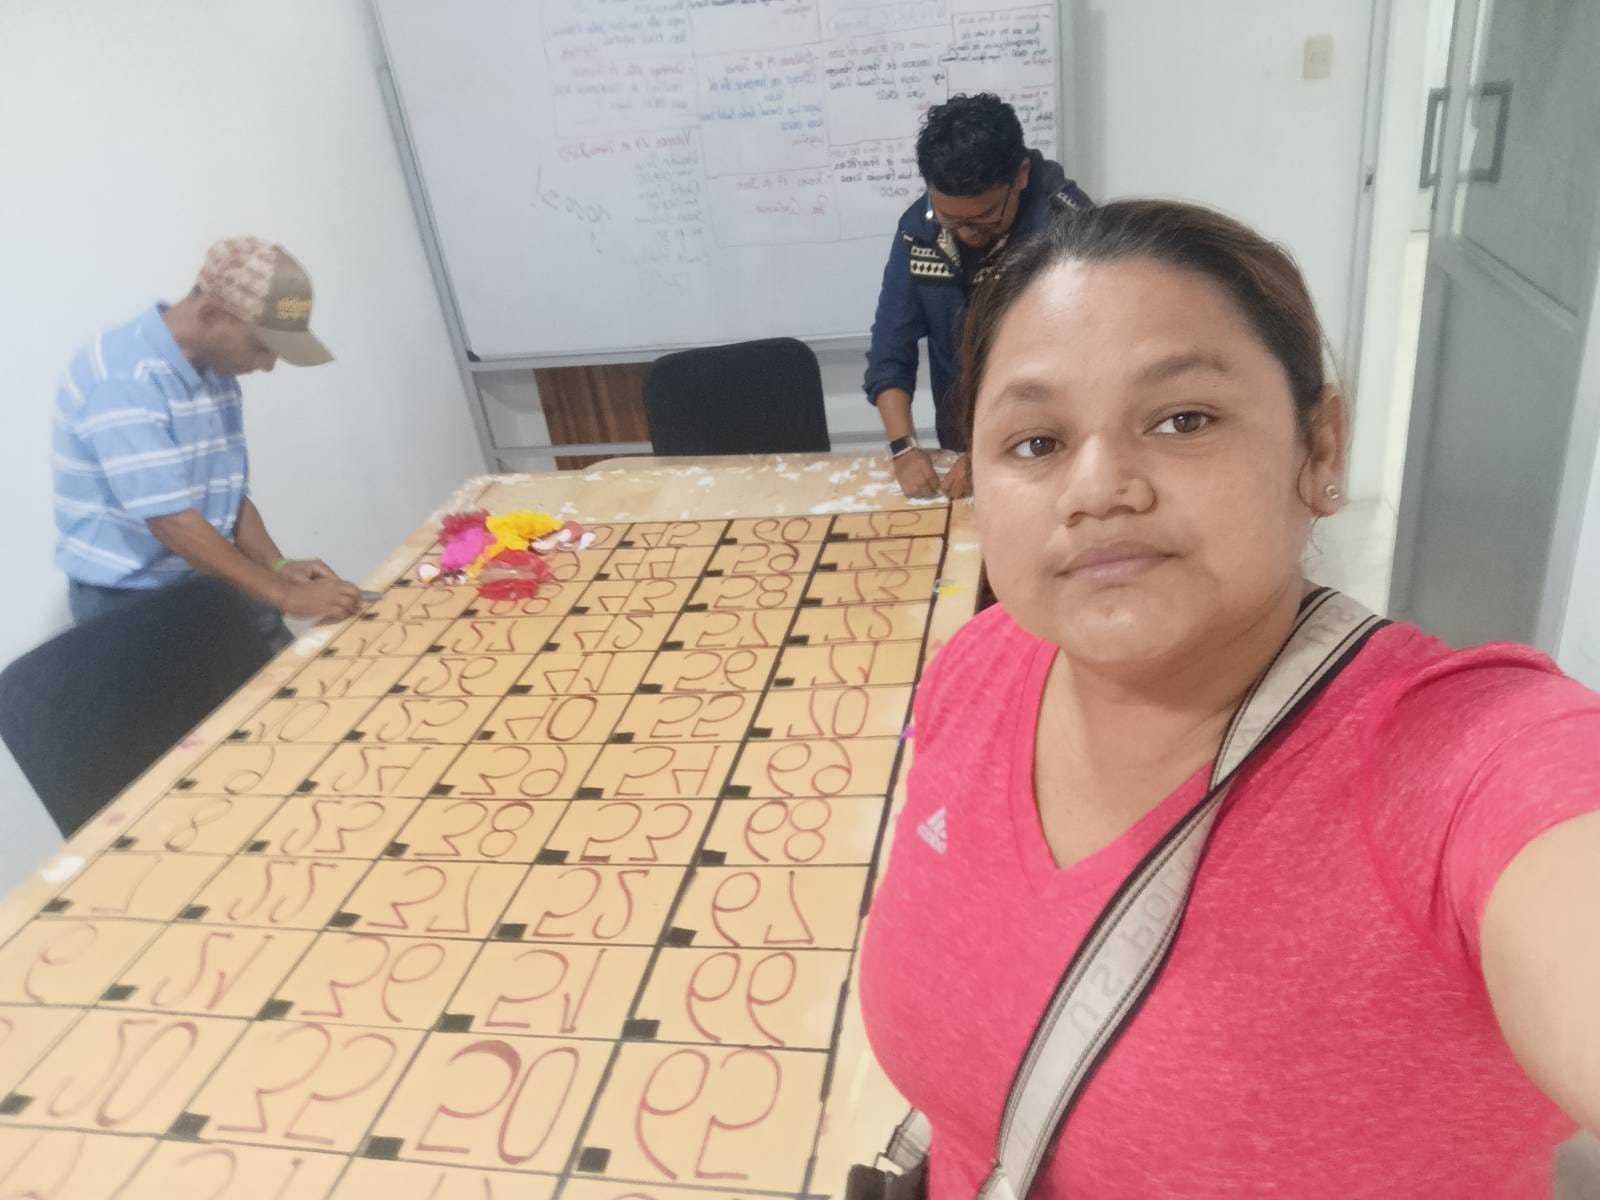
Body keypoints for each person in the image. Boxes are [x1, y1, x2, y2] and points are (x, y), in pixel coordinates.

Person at [859, 200, 1600, 1196]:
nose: (1098, 487)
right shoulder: (980, 665)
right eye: (1034, 442)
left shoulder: (1459, 762)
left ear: (1319, 449)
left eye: (1183, 421)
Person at [53, 238, 362, 650]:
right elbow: (171, 521)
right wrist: (284, 596)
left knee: (294, 681)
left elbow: (229, 496)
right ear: (214, 315)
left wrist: (277, 566)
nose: (267, 365)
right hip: (131, 603)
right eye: (262, 347)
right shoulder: (122, 379)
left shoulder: (217, 375)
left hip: (205, 572)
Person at [863, 93, 1091, 501]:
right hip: (958, 446)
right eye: (952, 219)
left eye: (985, 218)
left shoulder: (1069, 230)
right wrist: (904, 448)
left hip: (1057, 450)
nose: (967, 234)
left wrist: (994, 449)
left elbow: (1082, 362)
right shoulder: (919, 230)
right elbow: (890, 348)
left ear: (1021, 176)